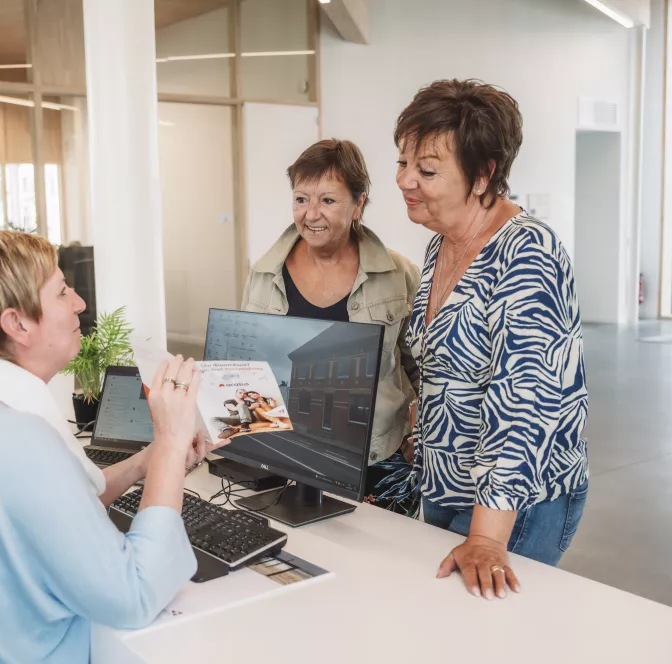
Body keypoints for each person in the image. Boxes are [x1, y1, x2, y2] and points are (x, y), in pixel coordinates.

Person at [0, 229, 226, 664]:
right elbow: (134, 595)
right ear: (18, 323)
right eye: (62, 292)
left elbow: (66, 499)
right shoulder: (19, 441)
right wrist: (174, 443)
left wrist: (149, 461)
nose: (80, 303)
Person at [395, 79, 589, 600]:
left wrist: (484, 537)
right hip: (444, 480)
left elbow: (526, 405)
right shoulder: (442, 242)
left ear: (482, 175)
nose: (406, 180)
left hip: (513, 504)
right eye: (403, 162)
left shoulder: (529, 254)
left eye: (427, 169)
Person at [241, 138, 422, 516]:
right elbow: (247, 365)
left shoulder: (399, 275)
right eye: (301, 199)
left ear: (359, 204)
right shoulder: (263, 273)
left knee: (380, 563)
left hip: (376, 457)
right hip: (283, 455)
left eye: (328, 200)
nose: (311, 215)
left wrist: (416, 438)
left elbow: (420, 367)